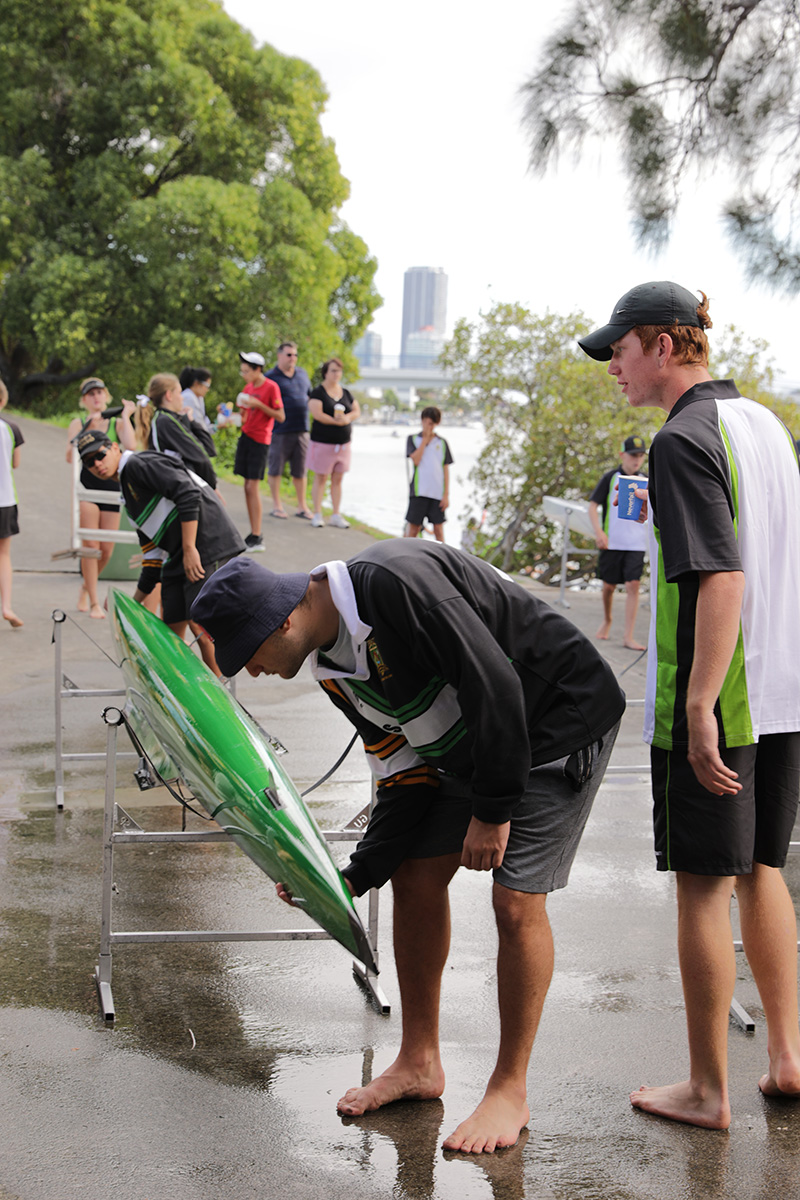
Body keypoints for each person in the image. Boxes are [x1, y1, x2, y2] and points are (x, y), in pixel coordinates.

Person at [190, 541, 625, 1153]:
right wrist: (350, 877)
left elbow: (495, 683)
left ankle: (509, 1089)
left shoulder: (396, 585)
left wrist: (492, 811)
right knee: (414, 876)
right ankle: (420, 1062)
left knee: (515, 902)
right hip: (476, 740)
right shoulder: (332, 670)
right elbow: (404, 773)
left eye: (248, 656)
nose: (253, 673)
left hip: (555, 718)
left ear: (281, 620)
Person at [579, 280, 800, 1130]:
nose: (613, 367)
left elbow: (721, 575)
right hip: (781, 689)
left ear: (664, 345)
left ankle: (708, 1089)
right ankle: (787, 1057)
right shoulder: (765, 425)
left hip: (723, 693)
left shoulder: (681, 439)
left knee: (703, 888)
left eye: (620, 350)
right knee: (763, 870)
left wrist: (699, 704)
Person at [75, 429, 245, 676]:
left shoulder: (138, 464)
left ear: (114, 447)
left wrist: (189, 548)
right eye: (89, 462)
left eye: (100, 455)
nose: (97, 464)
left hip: (209, 542)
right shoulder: (128, 500)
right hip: (178, 554)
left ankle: (221, 689)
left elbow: (188, 494)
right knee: (171, 625)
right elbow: (152, 560)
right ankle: (176, 684)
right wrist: (131, 604)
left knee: (199, 621)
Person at [66, 377, 136, 619]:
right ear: (84, 400)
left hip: (112, 490)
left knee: (106, 550)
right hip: (88, 490)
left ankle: (87, 586)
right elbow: (69, 455)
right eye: (91, 394)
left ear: (106, 395)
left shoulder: (116, 422)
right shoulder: (78, 423)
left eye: (99, 392)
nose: (96, 397)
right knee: (91, 547)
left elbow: (131, 446)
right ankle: (94, 602)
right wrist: (88, 429)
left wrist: (126, 416)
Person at [588, 434, 648, 650]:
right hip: (612, 541)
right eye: (633, 455)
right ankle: (607, 619)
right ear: (622, 455)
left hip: (636, 543)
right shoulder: (611, 477)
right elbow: (592, 506)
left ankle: (628, 636)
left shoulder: (647, 479)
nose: (637, 460)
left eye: (640, 456)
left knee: (633, 585)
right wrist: (599, 533)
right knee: (608, 586)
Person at [232, 351, 285, 552]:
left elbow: (280, 416)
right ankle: (253, 534)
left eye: (246, 371)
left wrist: (259, 405)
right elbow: (243, 417)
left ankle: (257, 536)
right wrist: (228, 414)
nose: (244, 375)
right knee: (246, 486)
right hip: (246, 436)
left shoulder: (271, 387)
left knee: (253, 487)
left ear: (257, 370)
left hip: (260, 440)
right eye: (242, 371)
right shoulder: (247, 388)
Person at [135, 372, 219, 491]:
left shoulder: (167, 419)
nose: (182, 397)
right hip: (179, 489)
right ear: (169, 395)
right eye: (179, 393)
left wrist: (191, 421)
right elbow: (200, 455)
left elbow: (208, 449)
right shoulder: (166, 421)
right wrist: (211, 487)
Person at [307, 358, 360, 528]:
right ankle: (317, 513)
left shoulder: (346, 393)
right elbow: (317, 414)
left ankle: (336, 514)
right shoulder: (318, 392)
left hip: (343, 444)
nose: (337, 374)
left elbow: (356, 410)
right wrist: (335, 421)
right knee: (321, 477)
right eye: (333, 370)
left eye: (339, 371)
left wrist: (346, 419)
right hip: (323, 443)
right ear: (326, 373)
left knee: (338, 479)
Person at [266, 342, 312, 520]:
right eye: (289, 355)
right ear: (279, 355)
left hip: (302, 430)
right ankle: (277, 505)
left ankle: (302, 506)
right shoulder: (270, 377)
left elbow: (309, 396)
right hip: (280, 431)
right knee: (275, 469)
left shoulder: (302, 374)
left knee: (300, 471)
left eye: (295, 355)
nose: (293, 358)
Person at [404, 407, 453, 542]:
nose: (428, 426)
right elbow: (415, 460)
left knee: (439, 530)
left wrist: (446, 494)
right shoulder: (413, 439)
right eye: (426, 422)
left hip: (437, 493)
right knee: (413, 529)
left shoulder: (442, 443)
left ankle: (442, 555)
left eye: (431, 423)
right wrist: (425, 441)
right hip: (419, 492)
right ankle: (407, 553)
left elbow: (445, 469)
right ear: (422, 421)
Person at [0, 378, 23, 628]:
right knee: (3, 554)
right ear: (3, 400)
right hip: (5, 500)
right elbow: (15, 463)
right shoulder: (11, 428)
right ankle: (6, 606)